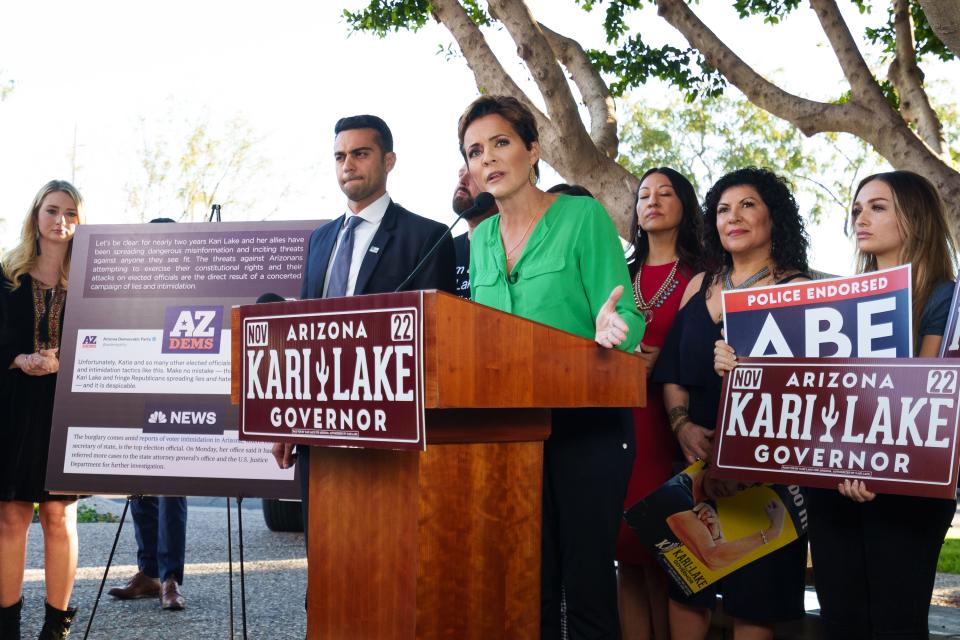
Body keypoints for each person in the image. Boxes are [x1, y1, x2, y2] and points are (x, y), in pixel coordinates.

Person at [459, 94, 645, 640]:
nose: (488, 158)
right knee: (525, 585)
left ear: (532, 148)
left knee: (585, 588)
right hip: (512, 432)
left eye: (501, 143)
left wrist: (615, 331)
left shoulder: (581, 216)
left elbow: (625, 314)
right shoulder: (480, 239)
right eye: (475, 150)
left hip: (586, 427)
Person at [776, 171, 953, 639]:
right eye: (857, 208)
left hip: (904, 492)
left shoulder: (945, 298)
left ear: (914, 218)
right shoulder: (835, 300)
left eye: (877, 207)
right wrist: (736, 360)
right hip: (833, 482)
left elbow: (923, 392)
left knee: (896, 624)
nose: (861, 217)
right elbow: (809, 384)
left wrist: (873, 466)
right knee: (842, 623)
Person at [271, 113, 456, 548]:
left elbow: (433, 343)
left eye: (360, 153)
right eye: (339, 156)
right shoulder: (320, 239)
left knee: (384, 552)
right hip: (318, 429)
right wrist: (288, 423)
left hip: (388, 432)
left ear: (389, 160)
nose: (347, 164)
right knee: (326, 553)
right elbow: (302, 336)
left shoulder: (426, 236)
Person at [654, 167, 809, 640]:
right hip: (699, 467)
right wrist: (682, 427)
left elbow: (813, 391)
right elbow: (673, 372)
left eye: (748, 205)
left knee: (754, 602)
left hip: (766, 473)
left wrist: (752, 373)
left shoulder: (798, 290)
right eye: (723, 209)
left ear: (773, 218)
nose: (733, 217)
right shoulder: (701, 285)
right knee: (685, 587)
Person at [615, 168, 702, 640]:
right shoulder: (619, 271)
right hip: (617, 421)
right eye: (644, 194)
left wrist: (659, 361)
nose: (653, 201)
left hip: (667, 426)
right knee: (625, 551)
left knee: (664, 552)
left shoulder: (701, 275)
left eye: (666, 193)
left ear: (684, 205)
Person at [0, 180, 84, 639]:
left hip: (66, 408)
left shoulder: (92, 280)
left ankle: (56, 627)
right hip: (13, 406)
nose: (61, 221)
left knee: (59, 515)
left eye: (71, 213)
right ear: (36, 215)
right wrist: (18, 359)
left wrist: (62, 360)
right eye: (52, 210)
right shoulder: (6, 274)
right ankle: (7, 625)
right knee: (12, 515)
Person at [107, 216, 188, 611]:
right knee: (138, 485)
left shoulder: (194, 287)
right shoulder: (133, 290)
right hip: (138, 393)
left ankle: (172, 578)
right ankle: (149, 573)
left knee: (171, 489)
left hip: (180, 398)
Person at [452, 164, 496, 298]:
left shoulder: (514, 244)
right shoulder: (446, 247)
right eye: (460, 175)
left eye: (473, 176)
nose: (462, 181)